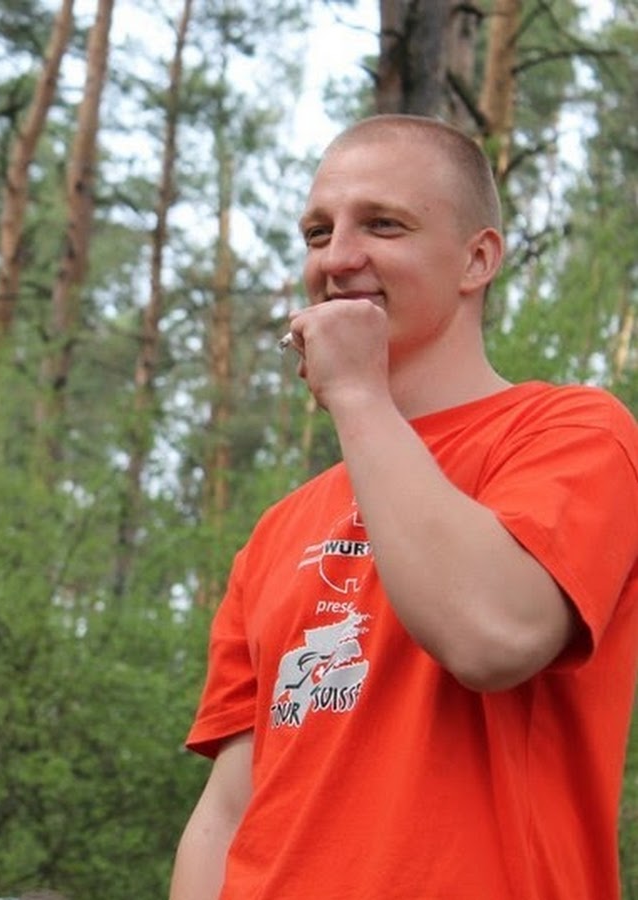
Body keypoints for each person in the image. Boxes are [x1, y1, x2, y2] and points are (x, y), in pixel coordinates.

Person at [169, 114, 638, 900]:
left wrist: (357, 393)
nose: (337, 258)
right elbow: (228, 810)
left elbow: (493, 634)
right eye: (318, 233)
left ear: (477, 259)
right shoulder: (278, 531)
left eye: (383, 224)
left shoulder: (575, 433)